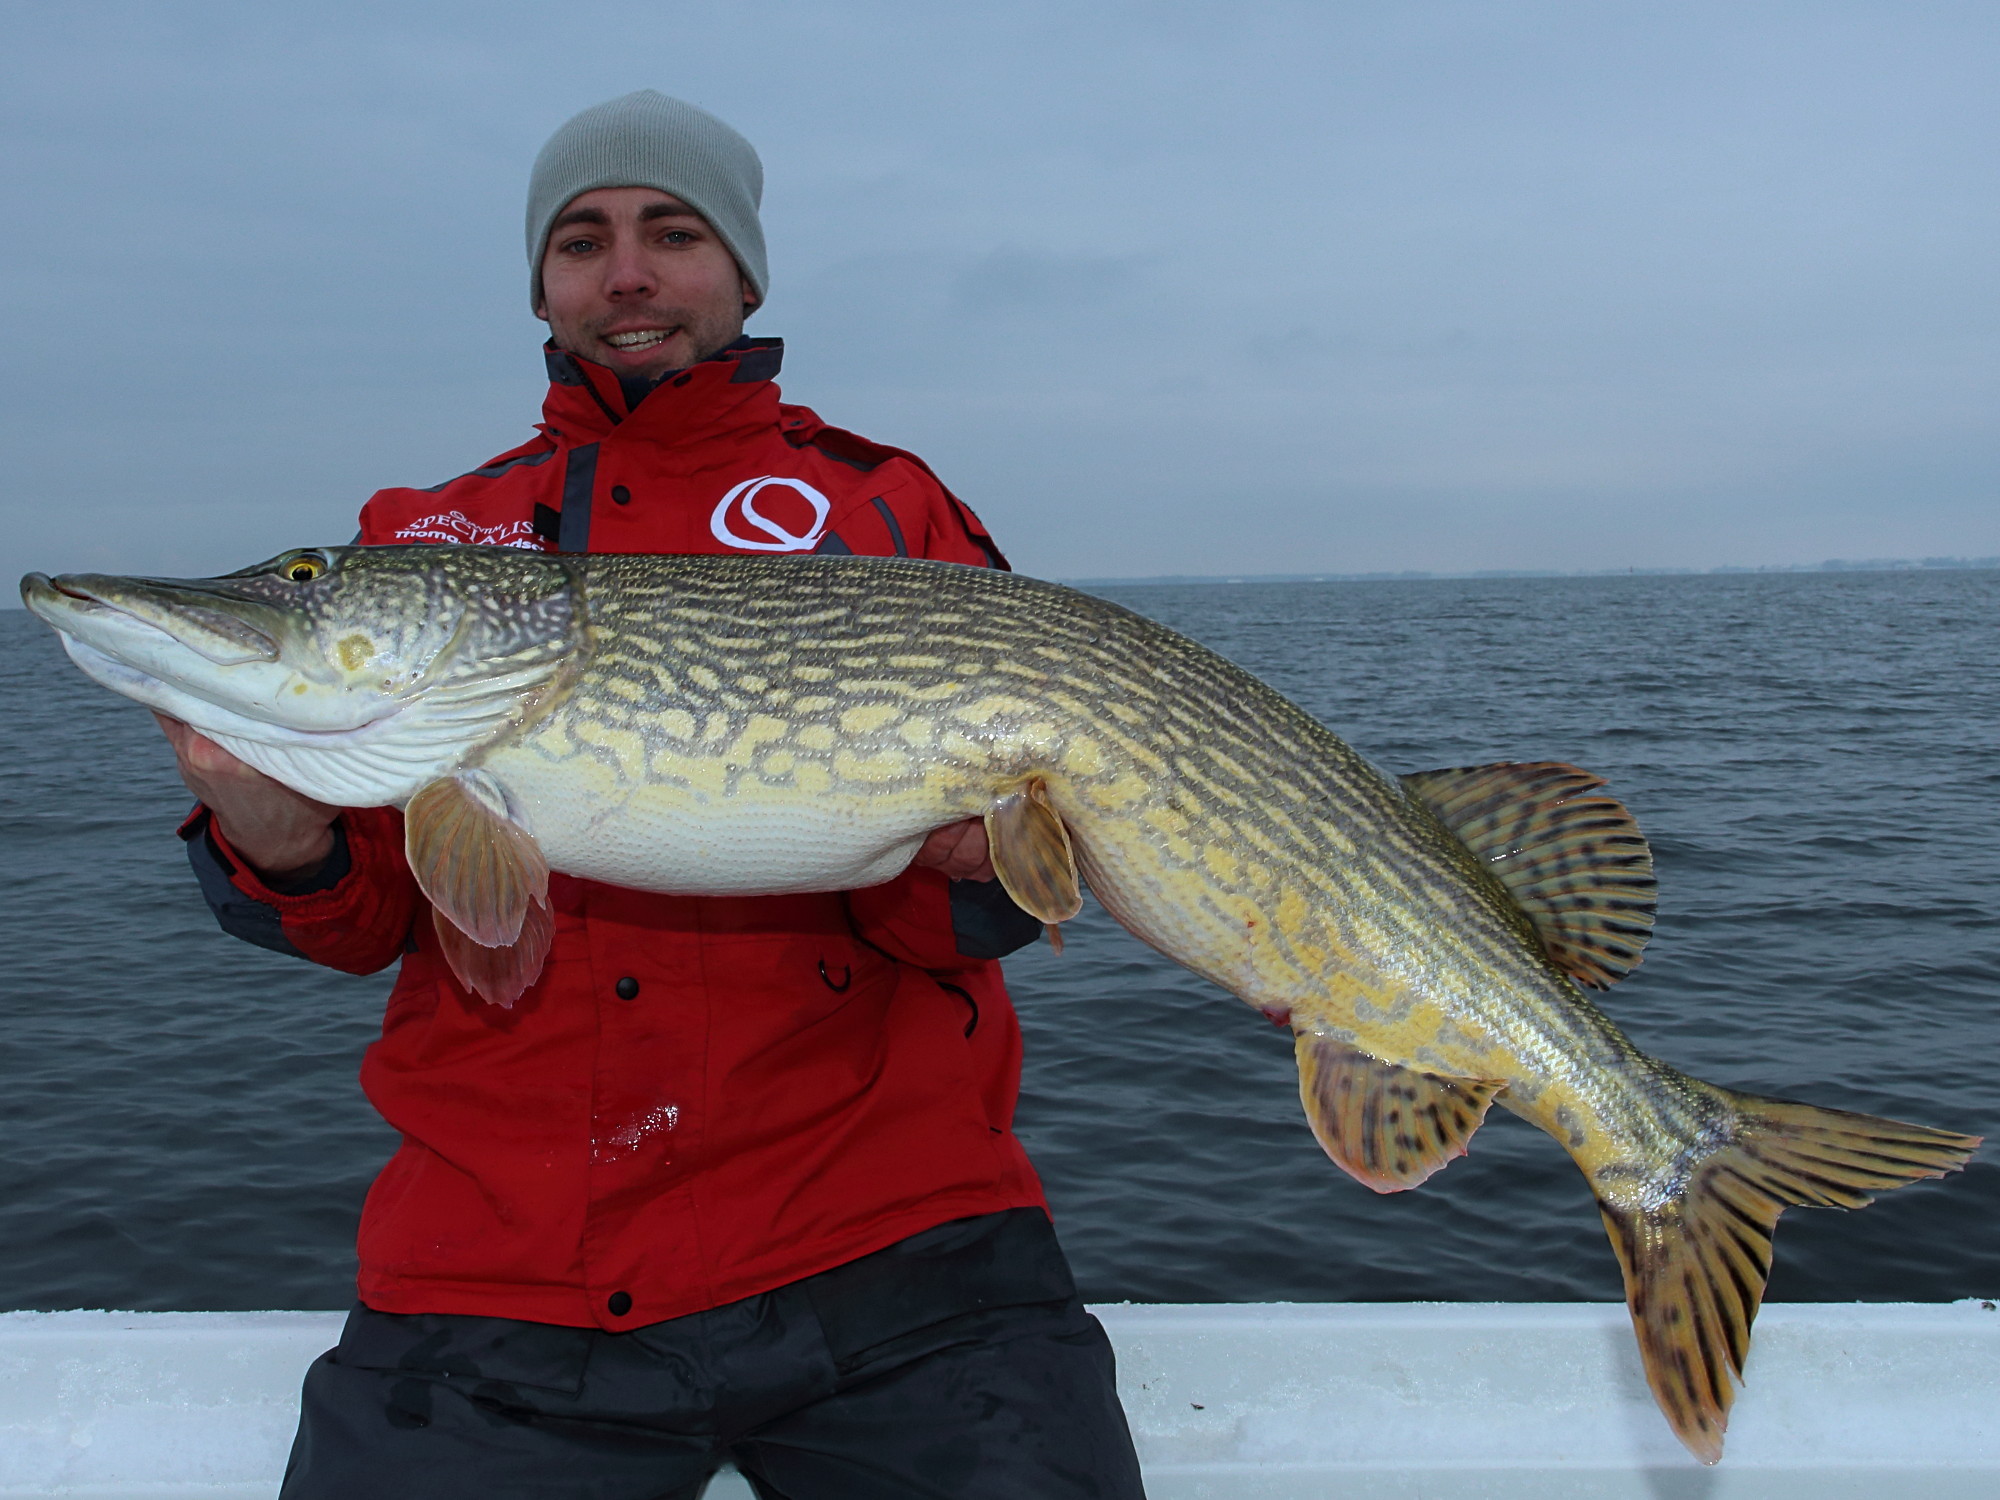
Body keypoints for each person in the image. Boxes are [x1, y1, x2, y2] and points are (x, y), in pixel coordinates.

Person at [159, 90, 1147, 1499]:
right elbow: (373, 921)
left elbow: (938, 931)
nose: (626, 272)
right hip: (502, 1266)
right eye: (582, 241)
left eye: (670, 233)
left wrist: (976, 873)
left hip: (898, 1248)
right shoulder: (430, 541)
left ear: (743, 271)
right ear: (544, 286)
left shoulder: (883, 509)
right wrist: (282, 843)